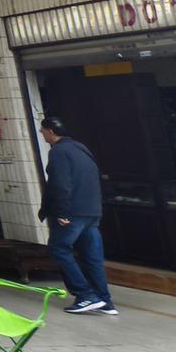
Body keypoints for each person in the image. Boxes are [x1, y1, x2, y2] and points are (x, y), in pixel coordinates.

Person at [38, 116, 116, 315]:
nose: (42, 134)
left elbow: (60, 184)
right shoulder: (81, 148)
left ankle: (85, 295)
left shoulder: (58, 152)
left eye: (42, 130)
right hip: (91, 212)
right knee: (92, 257)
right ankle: (105, 301)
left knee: (58, 249)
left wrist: (61, 211)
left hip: (72, 213)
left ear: (50, 131)